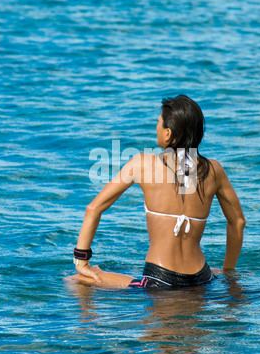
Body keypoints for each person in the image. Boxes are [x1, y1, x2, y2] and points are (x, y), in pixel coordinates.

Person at [70, 95, 246, 289]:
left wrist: (82, 262)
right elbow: (238, 222)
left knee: (75, 281)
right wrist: (228, 271)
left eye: (158, 123)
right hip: (202, 277)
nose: (156, 127)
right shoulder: (214, 170)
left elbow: (93, 209)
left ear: (168, 134)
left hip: (160, 279)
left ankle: (87, 318)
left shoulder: (142, 164)